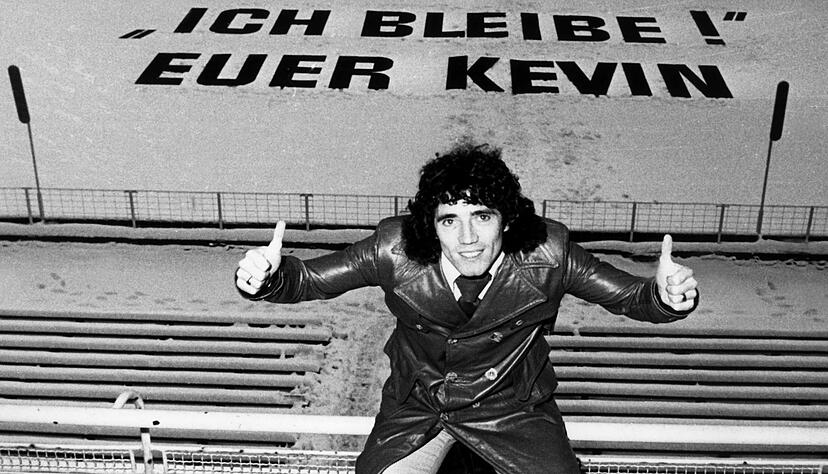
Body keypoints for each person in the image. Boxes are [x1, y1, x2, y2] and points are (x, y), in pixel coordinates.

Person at [235, 143, 699, 474]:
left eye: (482, 216)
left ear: (508, 219)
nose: (468, 239)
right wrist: (264, 276)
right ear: (430, 226)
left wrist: (667, 295)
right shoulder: (392, 250)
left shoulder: (549, 253)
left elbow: (633, 299)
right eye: (450, 221)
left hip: (514, 410)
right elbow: (308, 280)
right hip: (419, 405)